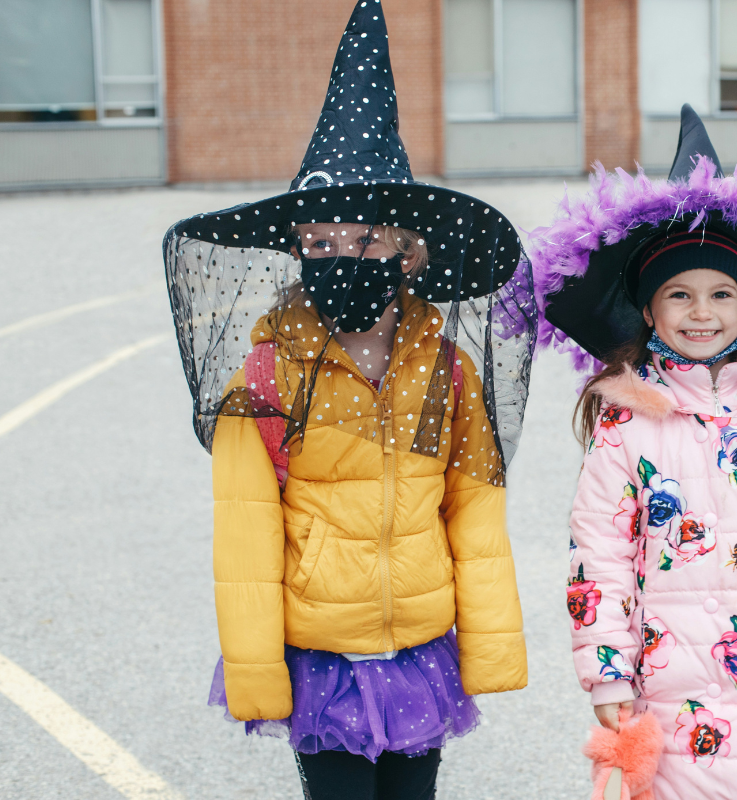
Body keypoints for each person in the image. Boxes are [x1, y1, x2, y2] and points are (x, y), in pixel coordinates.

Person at [162, 3, 536, 797]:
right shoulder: (265, 378)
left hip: (421, 647)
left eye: (361, 239)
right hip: (321, 655)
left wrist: (493, 644)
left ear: (406, 248)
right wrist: (257, 671)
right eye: (319, 244)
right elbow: (244, 536)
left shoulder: (446, 371)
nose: (339, 258)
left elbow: (474, 508)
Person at [530, 106, 737, 800]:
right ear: (648, 313)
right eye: (678, 295)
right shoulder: (626, 423)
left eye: (721, 294)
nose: (701, 311)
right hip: (670, 687)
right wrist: (608, 670)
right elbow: (599, 556)